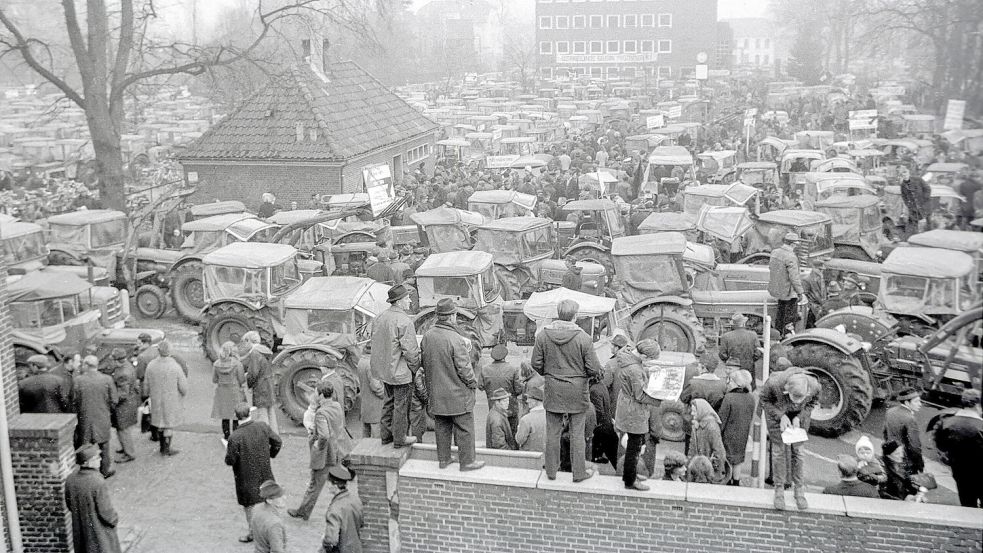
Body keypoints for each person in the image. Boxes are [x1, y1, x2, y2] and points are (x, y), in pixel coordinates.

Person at [531, 299, 602, 482]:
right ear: (575, 316)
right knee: (577, 433)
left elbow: (536, 364)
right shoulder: (584, 338)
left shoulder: (543, 336)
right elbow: (594, 368)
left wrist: (551, 374)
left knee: (552, 432)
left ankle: (551, 472)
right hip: (577, 391)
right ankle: (578, 473)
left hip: (553, 389)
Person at [421, 298, 484, 471]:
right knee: (465, 429)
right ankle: (467, 462)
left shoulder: (428, 336)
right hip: (458, 396)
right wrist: (473, 383)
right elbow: (465, 370)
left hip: (436, 395)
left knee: (442, 427)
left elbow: (423, 362)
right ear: (452, 316)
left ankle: (444, 460)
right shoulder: (456, 339)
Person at [289, 382, 354, 520]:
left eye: (316, 393)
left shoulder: (320, 413)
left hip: (325, 455)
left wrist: (317, 443)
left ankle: (303, 511)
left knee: (315, 484)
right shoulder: (336, 406)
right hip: (337, 450)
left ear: (322, 395)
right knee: (337, 482)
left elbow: (324, 435)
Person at [760, 367, 820, 510]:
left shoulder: (815, 386)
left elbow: (812, 403)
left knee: (798, 453)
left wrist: (800, 417)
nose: (798, 402)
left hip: (799, 418)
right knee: (778, 453)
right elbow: (764, 400)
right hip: (777, 414)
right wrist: (781, 416)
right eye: (795, 398)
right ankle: (779, 489)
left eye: (801, 398)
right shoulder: (774, 384)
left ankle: (799, 489)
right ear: (787, 390)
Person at [370, 284, 421, 448]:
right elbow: (411, 351)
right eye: (406, 298)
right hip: (401, 374)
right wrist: (415, 368)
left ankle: (385, 436)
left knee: (388, 403)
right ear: (399, 301)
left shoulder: (379, 318)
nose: (409, 301)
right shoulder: (405, 321)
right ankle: (400, 439)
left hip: (385, 372)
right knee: (401, 406)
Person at [225, 403, 283, 544]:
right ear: (250, 414)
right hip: (264, 473)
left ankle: (253, 533)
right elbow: (277, 442)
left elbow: (230, 460)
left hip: (245, 478)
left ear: (237, 417)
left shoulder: (235, 436)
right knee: (268, 504)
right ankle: (271, 531)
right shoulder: (262, 427)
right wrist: (271, 454)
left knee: (250, 507)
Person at [614, 339, 661, 491]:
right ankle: (630, 480)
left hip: (626, 404)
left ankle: (629, 473)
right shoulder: (634, 370)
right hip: (634, 410)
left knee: (634, 444)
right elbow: (640, 396)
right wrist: (658, 399)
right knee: (635, 445)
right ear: (644, 356)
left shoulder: (627, 356)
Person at [65, 444, 121, 553]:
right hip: (100, 532)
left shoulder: (70, 479)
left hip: (81, 530)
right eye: (96, 458)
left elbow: (70, 505)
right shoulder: (97, 481)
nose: (100, 459)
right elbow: (106, 511)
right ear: (86, 462)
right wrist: (114, 520)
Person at [933, 388, 983, 508]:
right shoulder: (981, 425)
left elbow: (941, 447)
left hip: (960, 472)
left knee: (967, 503)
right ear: (977, 405)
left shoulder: (945, 423)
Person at [72, 355, 118, 478]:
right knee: (104, 447)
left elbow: (74, 400)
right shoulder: (107, 379)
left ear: (86, 365)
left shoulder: (78, 380)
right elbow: (114, 399)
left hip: (85, 418)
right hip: (103, 417)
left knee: (85, 447)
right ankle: (104, 471)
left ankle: (86, 472)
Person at [144, 340, 188, 457]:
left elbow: (146, 385)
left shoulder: (151, 365)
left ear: (158, 351)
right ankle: (166, 449)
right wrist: (182, 394)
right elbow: (183, 387)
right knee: (168, 424)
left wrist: (147, 395)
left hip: (156, 399)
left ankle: (162, 447)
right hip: (171, 400)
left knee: (160, 423)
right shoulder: (175, 366)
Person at [719, 370, 755, 486]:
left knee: (728, 457)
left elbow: (722, 419)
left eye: (730, 380)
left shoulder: (729, 397)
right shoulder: (750, 398)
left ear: (735, 383)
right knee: (739, 458)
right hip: (743, 433)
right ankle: (736, 480)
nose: (728, 383)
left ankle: (728, 480)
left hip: (729, 433)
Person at [476, 344, 523, 433]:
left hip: (494, 408)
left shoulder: (485, 369)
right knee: (512, 434)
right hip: (511, 408)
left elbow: (480, 386)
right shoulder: (512, 369)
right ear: (505, 356)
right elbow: (518, 390)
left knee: (496, 434)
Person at [768, 232, 806, 336]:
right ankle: (787, 338)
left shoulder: (775, 252)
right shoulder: (791, 257)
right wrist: (800, 292)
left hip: (777, 291)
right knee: (789, 320)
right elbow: (794, 277)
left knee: (779, 317)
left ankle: (778, 335)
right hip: (789, 294)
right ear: (793, 244)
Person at [241, 331, 278, 434]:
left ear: (249, 341)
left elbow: (253, 372)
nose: (244, 345)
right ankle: (274, 435)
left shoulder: (254, 353)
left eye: (244, 342)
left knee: (262, 413)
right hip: (268, 385)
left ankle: (264, 437)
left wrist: (248, 382)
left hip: (261, 387)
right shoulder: (265, 351)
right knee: (270, 412)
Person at [320, 465, 364, 553]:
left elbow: (331, 540)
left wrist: (325, 541)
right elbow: (361, 523)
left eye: (329, 482)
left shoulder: (335, 509)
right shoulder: (355, 500)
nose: (327, 485)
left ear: (335, 485)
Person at [108, 348, 139, 464]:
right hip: (129, 403)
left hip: (124, 406)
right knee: (122, 429)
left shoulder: (123, 373)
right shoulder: (126, 366)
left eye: (113, 360)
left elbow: (123, 394)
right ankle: (124, 448)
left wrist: (111, 400)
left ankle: (129, 453)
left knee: (123, 429)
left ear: (117, 360)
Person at [883, 388, 924, 475]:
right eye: (916, 402)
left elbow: (885, 432)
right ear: (906, 402)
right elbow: (915, 445)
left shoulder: (890, 411)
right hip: (905, 459)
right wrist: (919, 463)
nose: (920, 404)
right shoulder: (910, 418)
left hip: (890, 455)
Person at [212, 341, 247, 443]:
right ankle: (236, 438)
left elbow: (214, 379)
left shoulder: (216, 364)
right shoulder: (237, 364)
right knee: (236, 416)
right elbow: (241, 379)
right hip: (235, 391)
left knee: (225, 416)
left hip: (222, 392)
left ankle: (227, 436)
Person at [688, 398, 728, 484]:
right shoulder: (696, 425)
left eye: (694, 411)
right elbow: (691, 448)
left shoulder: (712, 427)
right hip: (699, 471)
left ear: (701, 411)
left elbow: (719, 452)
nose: (692, 413)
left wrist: (714, 472)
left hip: (707, 474)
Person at [250, 480, 288, 553]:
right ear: (269, 501)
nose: (285, 498)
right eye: (280, 497)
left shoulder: (256, 508)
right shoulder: (275, 523)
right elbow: (277, 550)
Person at [358, 352, 384, 438]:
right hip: (375, 406)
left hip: (365, 405)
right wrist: (385, 394)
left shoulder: (361, 361)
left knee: (365, 435)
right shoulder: (371, 364)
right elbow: (376, 386)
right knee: (377, 437)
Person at [515, 386, 546, 452]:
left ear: (535, 401)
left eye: (529, 398)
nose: (527, 401)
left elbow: (519, 440)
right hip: (547, 457)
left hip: (530, 457)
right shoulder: (550, 418)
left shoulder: (526, 419)